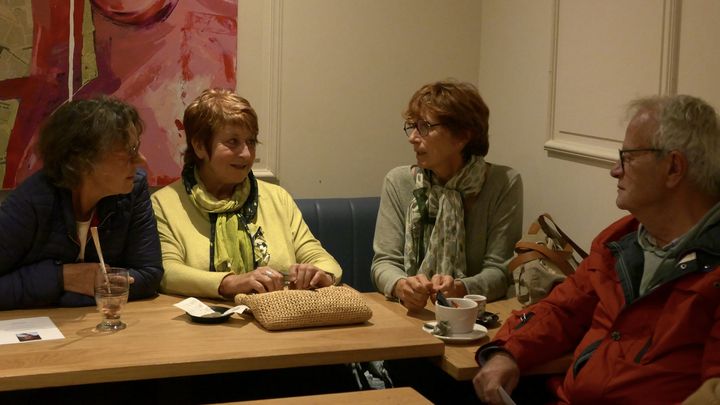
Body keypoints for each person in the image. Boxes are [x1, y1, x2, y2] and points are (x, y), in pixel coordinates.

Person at [473, 94, 720, 404]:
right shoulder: (620, 239)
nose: (615, 170)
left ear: (673, 167)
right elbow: (562, 310)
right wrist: (506, 351)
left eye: (627, 157)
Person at [151, 88, 341, 299]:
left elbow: (322, 259)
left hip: (278, 321)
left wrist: (320, 274)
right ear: (199, 146)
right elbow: (167, 272)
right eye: (232, 142)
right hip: (203, 327)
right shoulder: (164, 203)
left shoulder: (277, 198)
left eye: (251, 142)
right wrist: (230, 283)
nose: (246, 154)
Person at [371, 80, 523, 310]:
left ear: (462, 136)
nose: (412, 137)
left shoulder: (503, 182)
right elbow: (384, 263)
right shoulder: (399, 181)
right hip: (410, 312)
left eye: (425, 126)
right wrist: (402, 285)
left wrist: (462, 288)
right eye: (412, 126)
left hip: (474, 315)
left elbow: (501, 271)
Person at [0, 96, 163, 309]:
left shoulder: (133, 190)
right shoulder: (33, 200)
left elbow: (149, 275)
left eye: (137, 147)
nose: (142, 160)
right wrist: (61, 278)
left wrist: (67, 294)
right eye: (129, 151)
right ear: (82, 160)